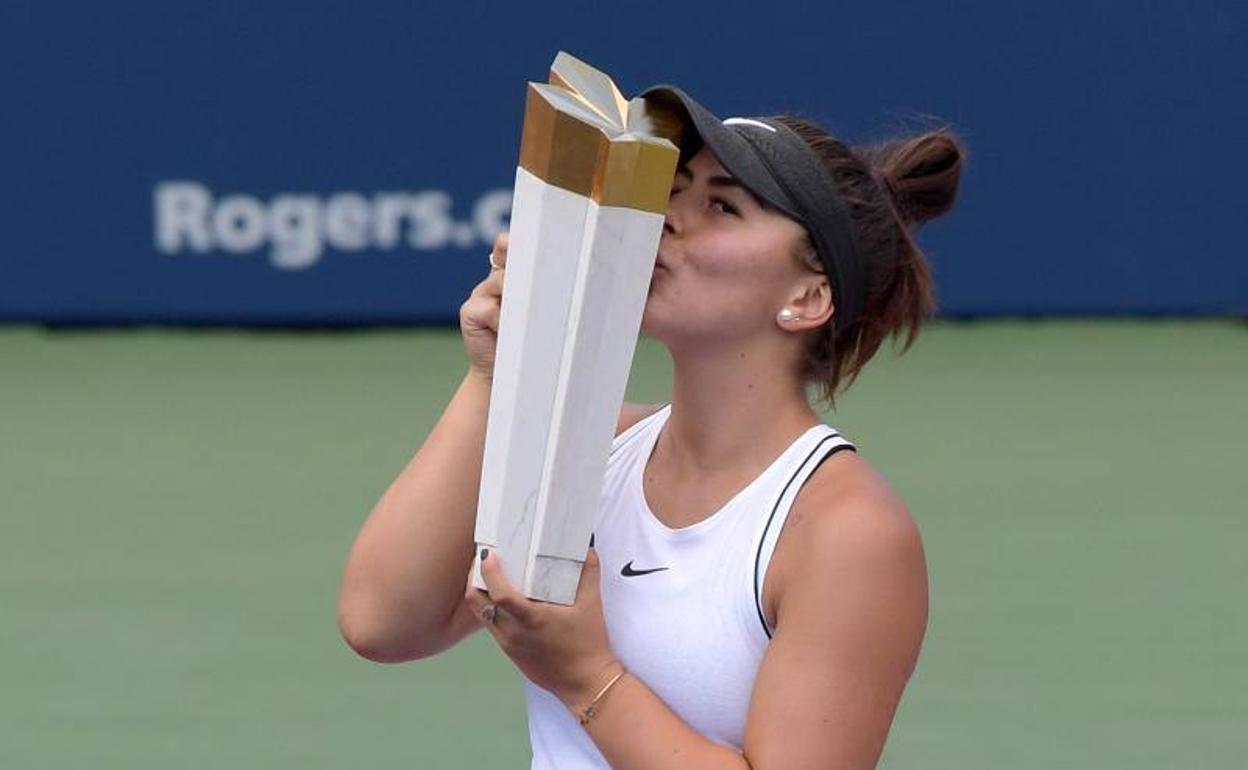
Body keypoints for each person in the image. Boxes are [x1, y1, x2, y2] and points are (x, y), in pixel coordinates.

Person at [337, 84, 964, 769]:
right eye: (673, 190)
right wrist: (500, 377)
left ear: (807, 297)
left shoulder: (850, 533)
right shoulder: (589, 445)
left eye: (721, 206)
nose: (666, 218)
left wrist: (586, 675)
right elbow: (383, 622)